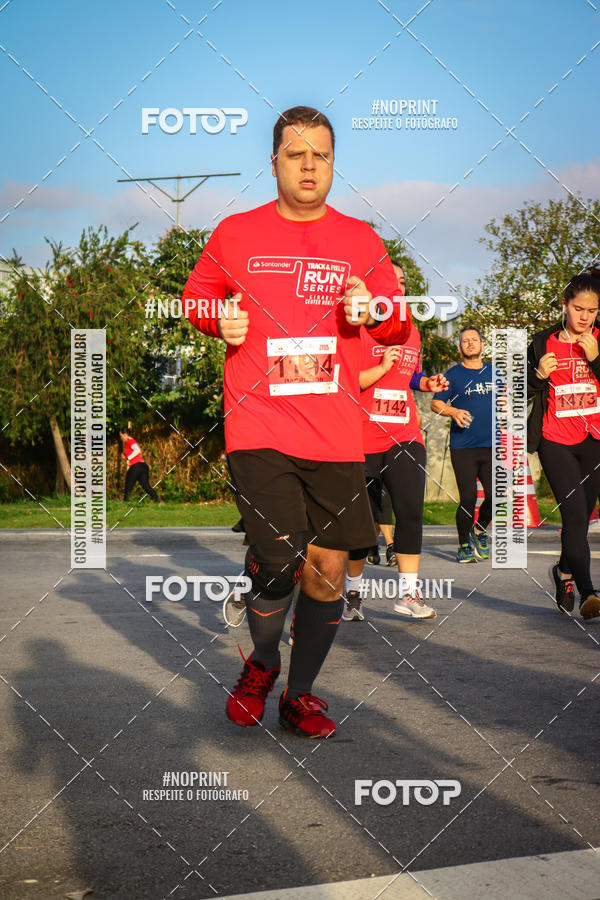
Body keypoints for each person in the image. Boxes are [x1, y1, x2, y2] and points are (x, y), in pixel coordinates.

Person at [182, 106, 411, 738]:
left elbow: (398, 323)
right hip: (258, 423)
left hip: (335, 430)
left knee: (328, 567)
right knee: (280, 558)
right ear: (275, 161)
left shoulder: (361, 241)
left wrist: (376, 312)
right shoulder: (234, 233)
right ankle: (260, 663)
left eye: (321, 155)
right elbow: (195, 296)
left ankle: (300, 694)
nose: (309, 165)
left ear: (333, 165)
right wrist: (216, 319)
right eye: (296, 153)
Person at [342, 300, 449, 621]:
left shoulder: (411, 333)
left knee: (410, 510)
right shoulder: (355, 330)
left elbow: (411, 375)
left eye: (401, 288)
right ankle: (353, 592)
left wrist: (426, 383)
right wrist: (381, 368)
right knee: (361, 522)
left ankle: (408, 594)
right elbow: (344, 379)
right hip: (361, 437)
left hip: (404, 434)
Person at [527, 270, 600, 620]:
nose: (584, 316)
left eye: (592, 311)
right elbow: (520, 391)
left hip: (594, 439)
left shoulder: (599, 340)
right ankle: (589, 592)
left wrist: (597, 359)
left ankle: (563, 572)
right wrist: (537, 375)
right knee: (573, 515)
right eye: (578, 308)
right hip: (555, 439)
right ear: (564, 305)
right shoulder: (542, 343)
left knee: (581, 520)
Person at [431, 326, 497, 563]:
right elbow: (435, 404)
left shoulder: (495, 373)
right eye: (465, 341)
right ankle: (463, 545)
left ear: (482, 345)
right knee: (468, 498)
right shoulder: (452, 375)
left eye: (474, 340)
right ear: (460, 348)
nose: (470, 343)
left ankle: (479, 530)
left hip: (492, 445)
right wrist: (453, 410)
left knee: (496, 495)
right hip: (463, 447)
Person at [119, 428, 159, 502]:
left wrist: (128, 458)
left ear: (125, 435)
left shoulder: (130, 441)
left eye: (121, 436)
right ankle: (156, 499)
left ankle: (126, 502)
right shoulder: (126, 443)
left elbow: (137, 450)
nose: (121, 438)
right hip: (143, 466)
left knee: (128, 485)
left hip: (136, 466)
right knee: (145, 486)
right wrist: (124, 455)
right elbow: (130, 452)